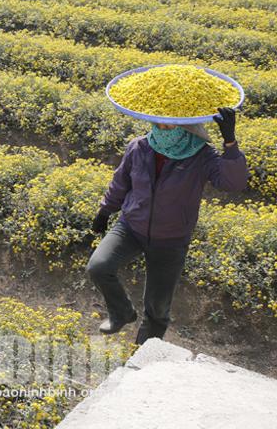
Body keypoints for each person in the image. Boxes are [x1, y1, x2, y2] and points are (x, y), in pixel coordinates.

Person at [87, 109, 246, 344]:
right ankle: (121, 312)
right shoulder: (139, 147)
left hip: (171, 239)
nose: (162, 130)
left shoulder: (201, 155)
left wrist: (230, 142)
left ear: (187, 126)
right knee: (99, 267)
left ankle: (142, 356)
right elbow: (121, 183)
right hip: (131, 227)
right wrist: (105, 210)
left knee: (158, 308)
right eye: (159, 124)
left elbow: (233, 183)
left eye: (170, 126)